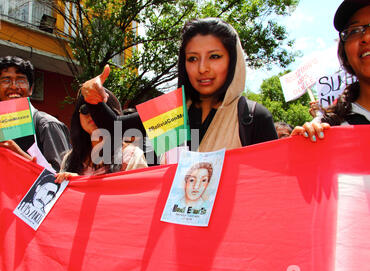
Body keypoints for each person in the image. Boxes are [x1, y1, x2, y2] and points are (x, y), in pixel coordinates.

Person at [79, 18, 277, 156]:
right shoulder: (172, 113)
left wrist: (305, 139)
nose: (202, 68)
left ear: (233, 61)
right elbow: (114, 128)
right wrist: (92, 98)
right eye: (193, 58)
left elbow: (278, 186)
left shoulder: (252, 118)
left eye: (214, 56)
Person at [291, 0, 370, 141]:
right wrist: (297, 153)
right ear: (345, 54)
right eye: (354, 31)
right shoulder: (327, 130)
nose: (366, 37)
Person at [55, 91, 147, 182]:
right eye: (85, 109)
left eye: (99, 108)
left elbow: (139, 195)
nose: (92, 114)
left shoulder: (132, 156)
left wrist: (80, 183)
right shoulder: (70, 158)